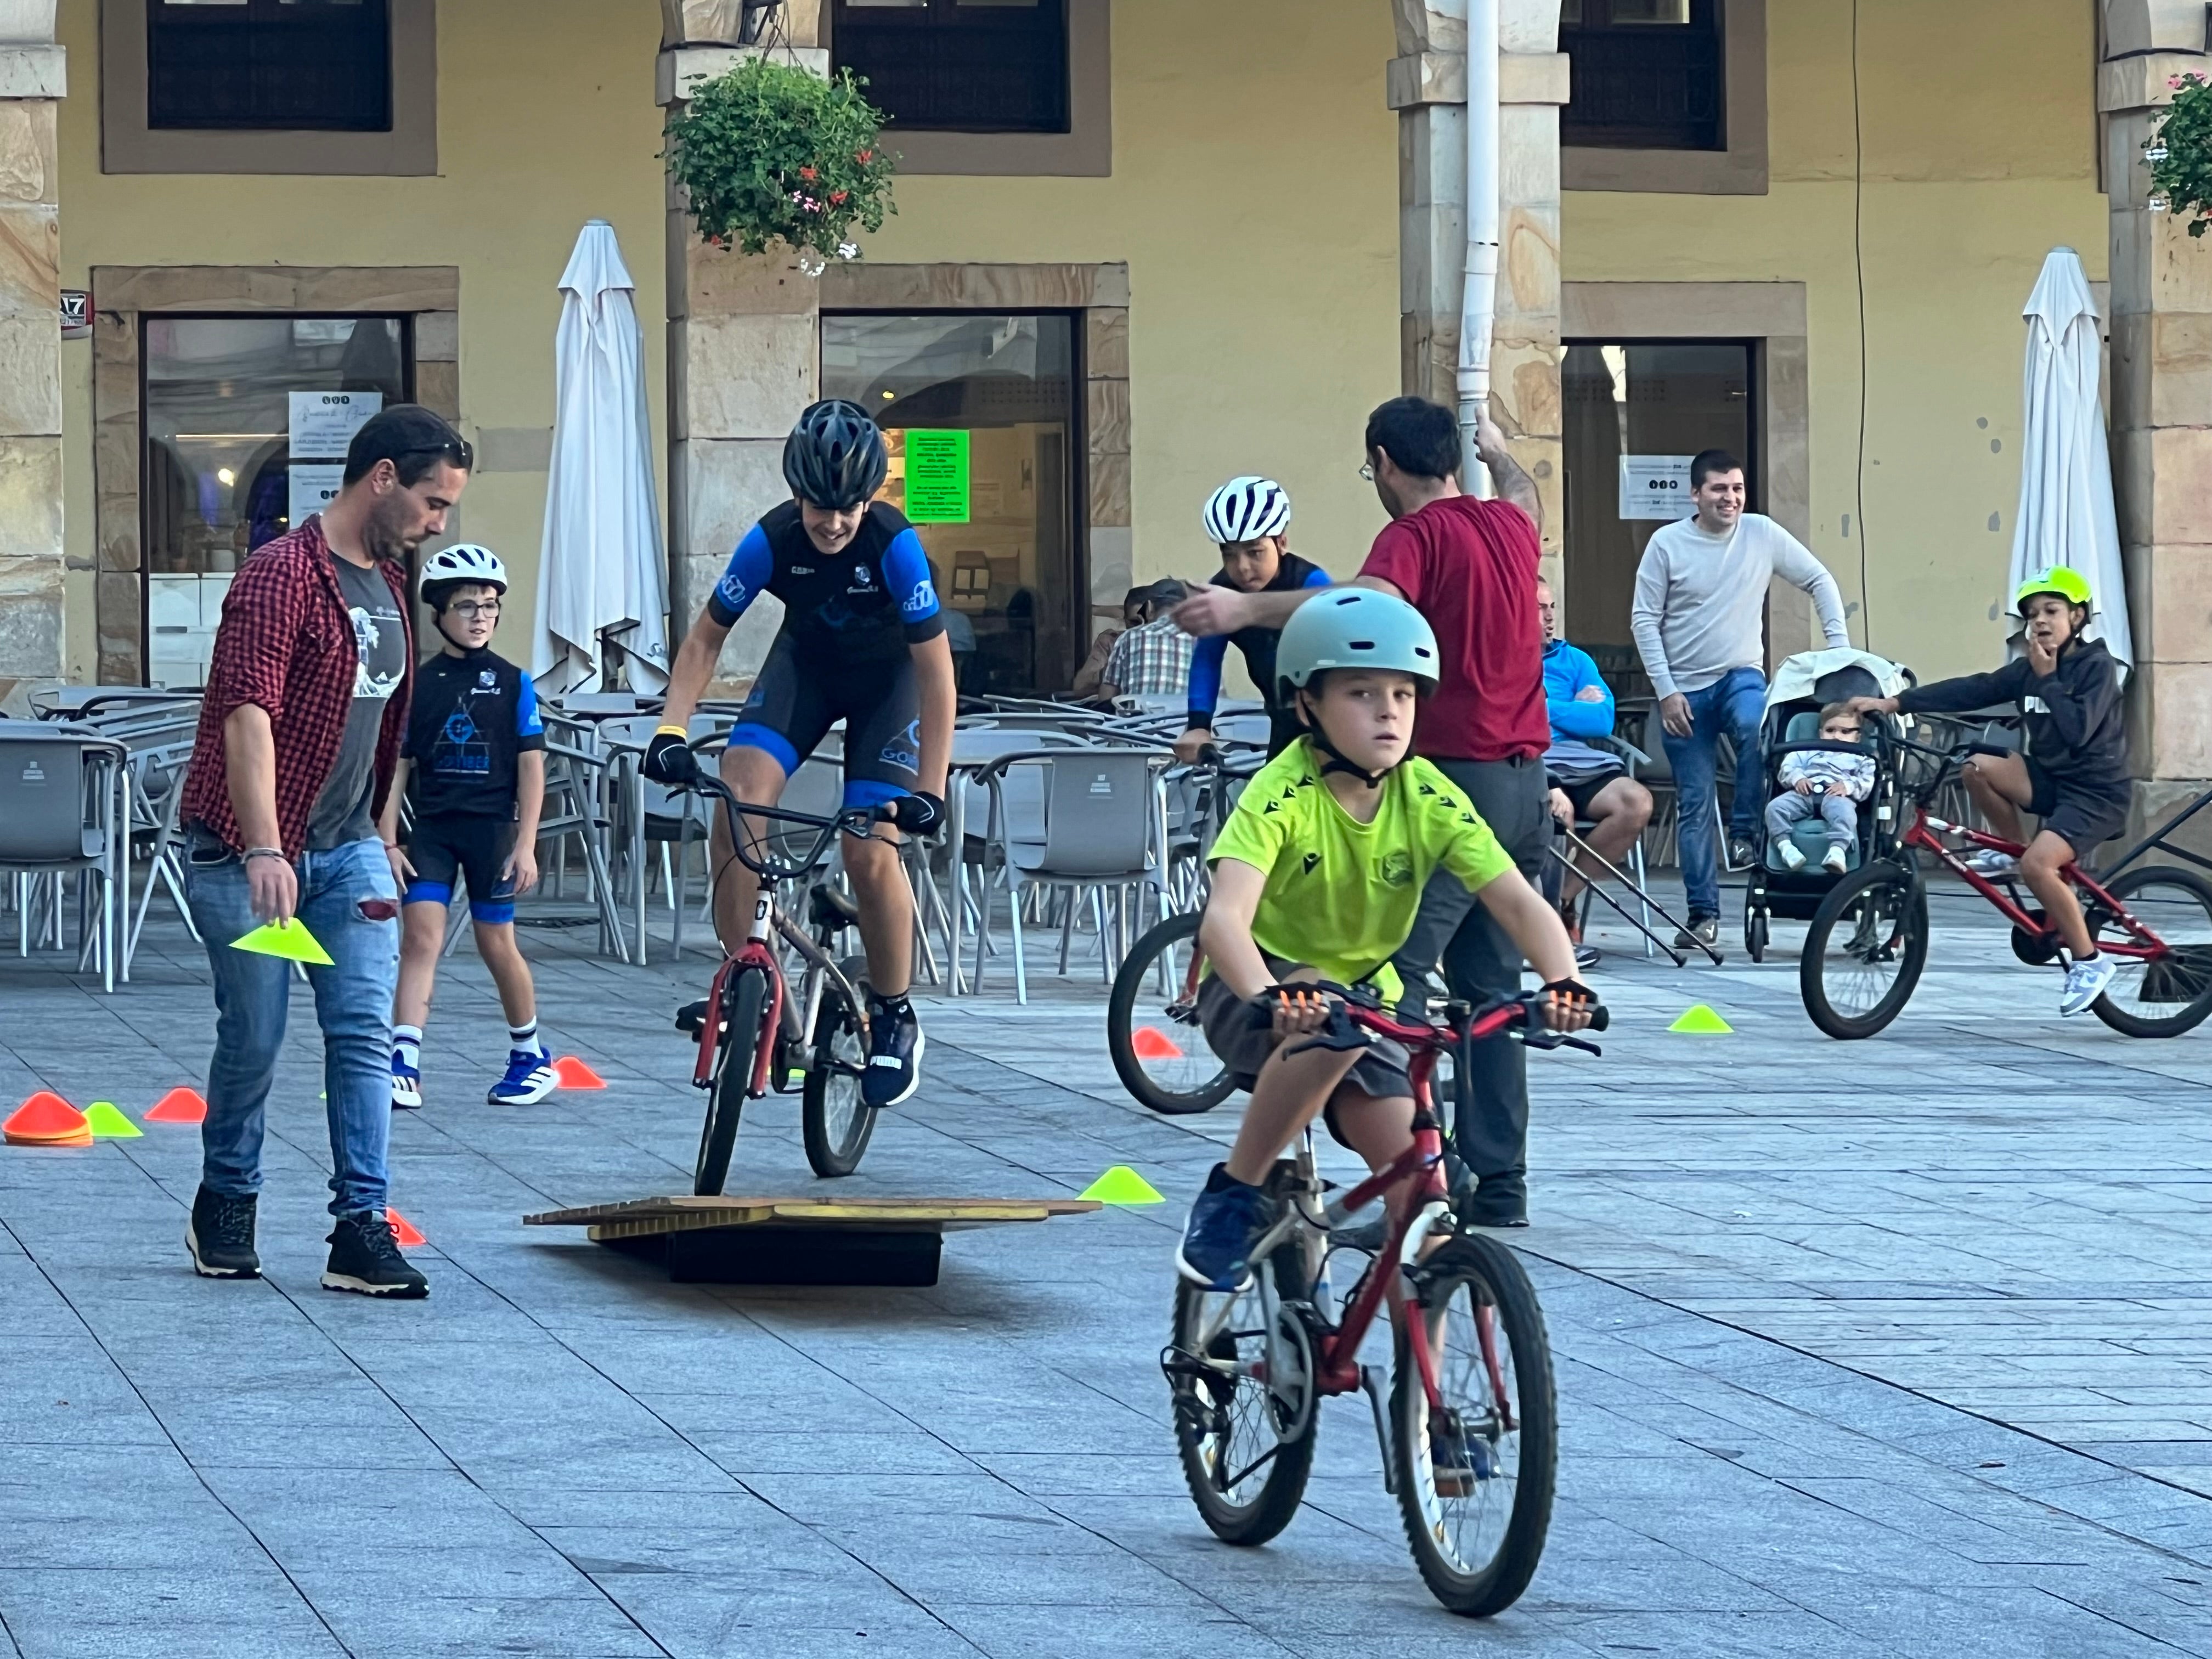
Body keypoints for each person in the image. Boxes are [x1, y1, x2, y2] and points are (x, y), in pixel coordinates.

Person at [1174, 397, 1554, 1229]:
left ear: (1383, 461)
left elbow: (1360, 611)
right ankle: (1500, 1184)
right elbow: (1528, 494)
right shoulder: (1508, 525)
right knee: (1491, 991)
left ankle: (1418, 1176)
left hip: (1454, 779)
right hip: (1529, 784)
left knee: (1391, 981)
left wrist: (1244, 610)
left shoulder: (1413, 537)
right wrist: (1500, 446)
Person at [1173, 588, 1594, 1294]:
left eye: (1404, 693)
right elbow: (1224, 922)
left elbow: (1517, 900)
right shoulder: (1284, 792)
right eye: (1362, 693)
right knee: (1326, 1017)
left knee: (1423, 1206)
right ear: (1305, 705)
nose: (1390, 711)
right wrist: (1270, 994)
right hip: (1258, 991)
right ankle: (1234, 1195)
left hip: (1371, 1006)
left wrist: (1562, 980)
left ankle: (1425, 1403)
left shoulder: (1426, 792)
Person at [177, 404, 471, 1298]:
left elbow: (382, 725)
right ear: (381, 476)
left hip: (347, 852)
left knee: (363, 1034)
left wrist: (382, 832)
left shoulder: (386, 584)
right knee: (257, 1034)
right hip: (244, 851)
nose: (438, 520)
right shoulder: (281, 576)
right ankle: (226, 1199)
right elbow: (246, 716)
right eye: (431, 501)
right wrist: (269, 846)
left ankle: (360, 1226)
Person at [642, 400, 953, 1108]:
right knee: (736, 796)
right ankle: (747, 982)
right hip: (804, 673)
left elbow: (936, 674)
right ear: (796, 493)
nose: (835, 523)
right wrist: (671, 729)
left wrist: (930, 789)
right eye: (820, 507)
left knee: (869, 850)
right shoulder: (773, 539)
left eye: (850, 508)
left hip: (889, 688)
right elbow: (703, 641)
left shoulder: (894, 546)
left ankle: (895, 1013)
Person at [1847, 566, 2131, 1015]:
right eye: (2032, 614)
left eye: (2051, 611)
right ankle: (2016, 851)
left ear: (2077, 617)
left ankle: (2089, 962)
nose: (2039, 621)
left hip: (2097, 794)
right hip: (2052, 779)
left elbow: (2078, 732)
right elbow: (1974, 689)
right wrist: (1896, 702)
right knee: (1976, 767)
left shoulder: (2097, 668)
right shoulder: (2027, 671)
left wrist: (2050, 679)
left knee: (2042, 866)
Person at [1630, 449, 1850, 950]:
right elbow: (1644, 620)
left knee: (1757, 726)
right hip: (1682, 689)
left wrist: (1839, 651)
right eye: (1718, 489)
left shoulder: (1761, 533)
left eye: (1737, 489)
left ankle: (1747, 831)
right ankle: (1703, 915)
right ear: (1695, 495)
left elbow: (1820, 580)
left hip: (1739, 674)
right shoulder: (1667, 544)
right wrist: (1665, 691)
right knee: (1693, 804)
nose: (1730, 498)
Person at [379, 544, 555, 1111]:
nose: (481, 616)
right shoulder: (418, 685)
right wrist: (386, 838)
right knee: (420, 940)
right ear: (438, 614)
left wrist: (526, 845)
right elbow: (398, 768)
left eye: (490, 605)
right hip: (431, 831)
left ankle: (530, 1055)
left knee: (495, 942)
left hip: (493, 835)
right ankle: (403, 1060)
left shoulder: (513, 682)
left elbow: (533, 768)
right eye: (466, 606)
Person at [1174, 476, 1332, 762]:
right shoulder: (1222, 591)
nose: (1243, 568)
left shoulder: (1311, 582)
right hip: (1281, 720)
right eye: (1229, 554)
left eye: (1255, 552)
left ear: (1281, 543)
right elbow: (1207, 658)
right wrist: (1198, 726)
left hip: (1334, 721)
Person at [1537, 578, 1652, 966]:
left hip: (1580, 761)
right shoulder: (1504, 658)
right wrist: (1571, 706)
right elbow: (1513, 717)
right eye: (1539, 609)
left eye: (1551, 607)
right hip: (1532, 760)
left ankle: (1561, 901)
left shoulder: (1576, 661)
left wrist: (1546, 706)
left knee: (1635, 802)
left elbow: (1602, 721)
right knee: (1557, 813)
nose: (1549, 617)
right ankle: (1543, 922)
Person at [1765, 703, 1875, 874]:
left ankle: (1837, 851)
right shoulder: (1808, 750)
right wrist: (1798, 778)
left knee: (1846, 814)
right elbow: (1788, 766)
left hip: (1837, 797)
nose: (1836, 736)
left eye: (1845, 732)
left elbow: (1867, 781)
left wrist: (1848, 786)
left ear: (1858, 737)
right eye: (1830, 730)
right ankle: (1786, 848)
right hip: (1803, 793)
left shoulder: (1861, 757)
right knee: (1775, 808)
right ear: (1821, 733)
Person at [1098, 578, 1194, 712]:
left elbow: (1107, 695)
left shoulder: (1128, 637)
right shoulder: (1201, 641)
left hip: (1136, 729)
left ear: (1149, 608)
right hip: (1184, 728)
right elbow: (1217, 699)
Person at [1071, 588, 1148, 697]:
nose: (1141, 628)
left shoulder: (1170, 645)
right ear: (1124, 620)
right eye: (1135, 622)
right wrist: (1117, 667)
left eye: (1147, 622)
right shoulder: (1110, 642)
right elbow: (1081, 686)